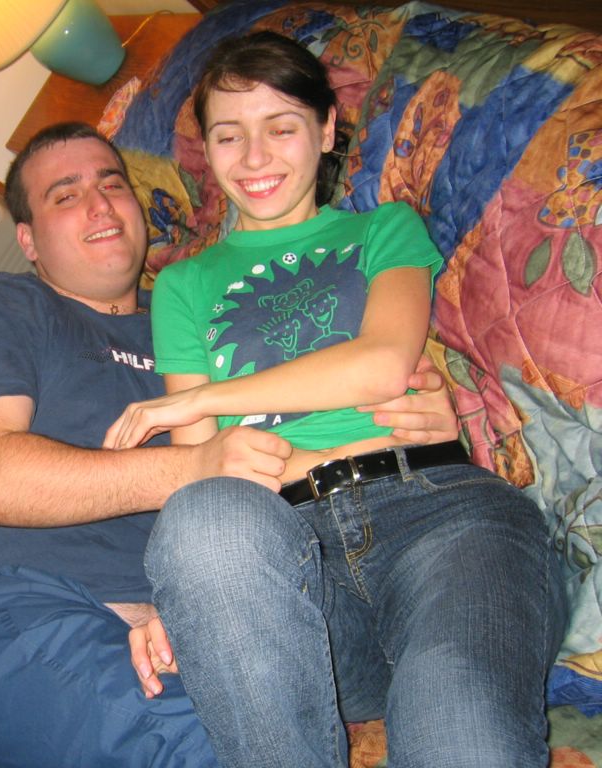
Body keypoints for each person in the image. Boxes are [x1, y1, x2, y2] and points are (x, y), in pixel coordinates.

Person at [0, 121, 462, 768]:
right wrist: (193, 467)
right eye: (66, 195)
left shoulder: (198, 314)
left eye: (113, 184)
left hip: (180, 628)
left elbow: (313, 419)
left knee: (275, 731)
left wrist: (409, 432)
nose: (101, 205)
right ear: (28, 240)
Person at [106, 32, 567, 768]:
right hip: (294, 570)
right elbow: (209, 475)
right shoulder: (183, 287)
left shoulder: (383, 229)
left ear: (326, 130)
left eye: (280, 127)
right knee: (203, 517)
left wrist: (202, 401)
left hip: (440, 521)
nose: (254, 158)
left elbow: (381, 365)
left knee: (460, 738)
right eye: (229, 135)